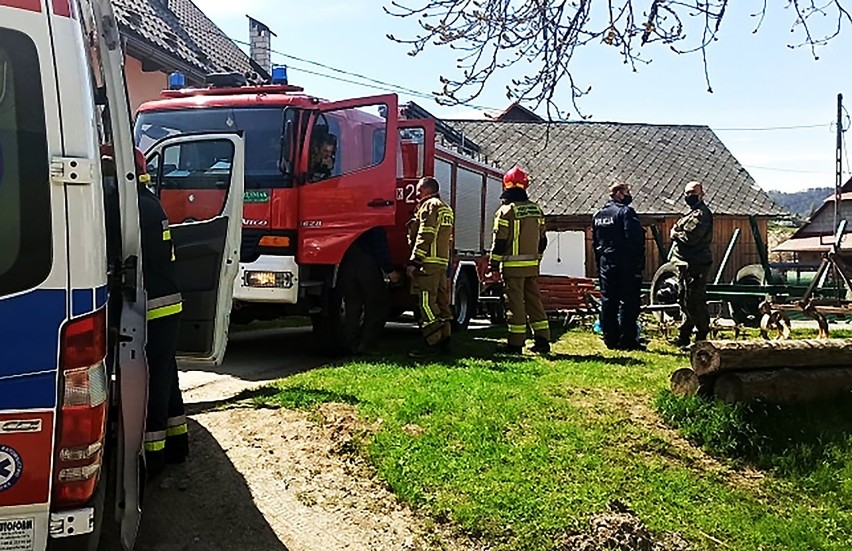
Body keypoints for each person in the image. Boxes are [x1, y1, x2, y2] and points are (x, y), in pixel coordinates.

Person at [101, 145, 188, 477]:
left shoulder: (123, 205)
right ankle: (178, 443)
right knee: (165, 374)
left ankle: (152, 457)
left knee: (149, 381)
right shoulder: (148, 201)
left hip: (148, 307)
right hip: (167, 304)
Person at [489, 166, 551, 354]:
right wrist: (537, 259)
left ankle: (515, 344)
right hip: (531, 267)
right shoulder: (536, 210)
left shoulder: (506, 211)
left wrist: (493, 265)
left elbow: (500, 242)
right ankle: (543, 341)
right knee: (534, 302)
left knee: (515, 304)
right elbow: (543, 240)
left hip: (512, 269)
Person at [592, 181, 646, 351]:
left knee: (608, 300)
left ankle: (610, 338)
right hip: (625, 263)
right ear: (618, 193)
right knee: (629, 302)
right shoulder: (625, 212)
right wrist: (638, 263)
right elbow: (635, 239)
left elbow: (595, 243)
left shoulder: (598, 215)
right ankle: (628, 339)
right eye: (626, 192)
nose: (629, 195)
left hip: (605, 263)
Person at [406, 177, 454, 358]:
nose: (417, 194)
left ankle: (433, 343)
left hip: (428, 263)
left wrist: (415, 261)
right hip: (441, 262)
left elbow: (426, 234)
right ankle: (446, 340)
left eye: (419, 190)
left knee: (426, 303)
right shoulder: (445, 208)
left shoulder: (429, 206)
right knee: (442, 303)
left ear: (427, 190)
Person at [340, 226, 400, 356]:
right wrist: (390, 270)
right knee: (378, 307)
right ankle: (367, 344)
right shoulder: (375, 223)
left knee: (352, 307)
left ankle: (350, 344)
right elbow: (380, 248)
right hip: (367, 265)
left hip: (347, 265)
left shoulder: (349, 220)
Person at [670, 180, 714, 349]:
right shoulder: (690, 213)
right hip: (685, 264)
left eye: (693, 193)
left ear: (702, 194)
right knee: (684, 299)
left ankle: (701, 337)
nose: (689, 196)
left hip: (697, 264)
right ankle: (684, 336)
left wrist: (674, 234)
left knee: (695, 301)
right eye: (687, 193)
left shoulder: (701, 214)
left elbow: (690, 238)